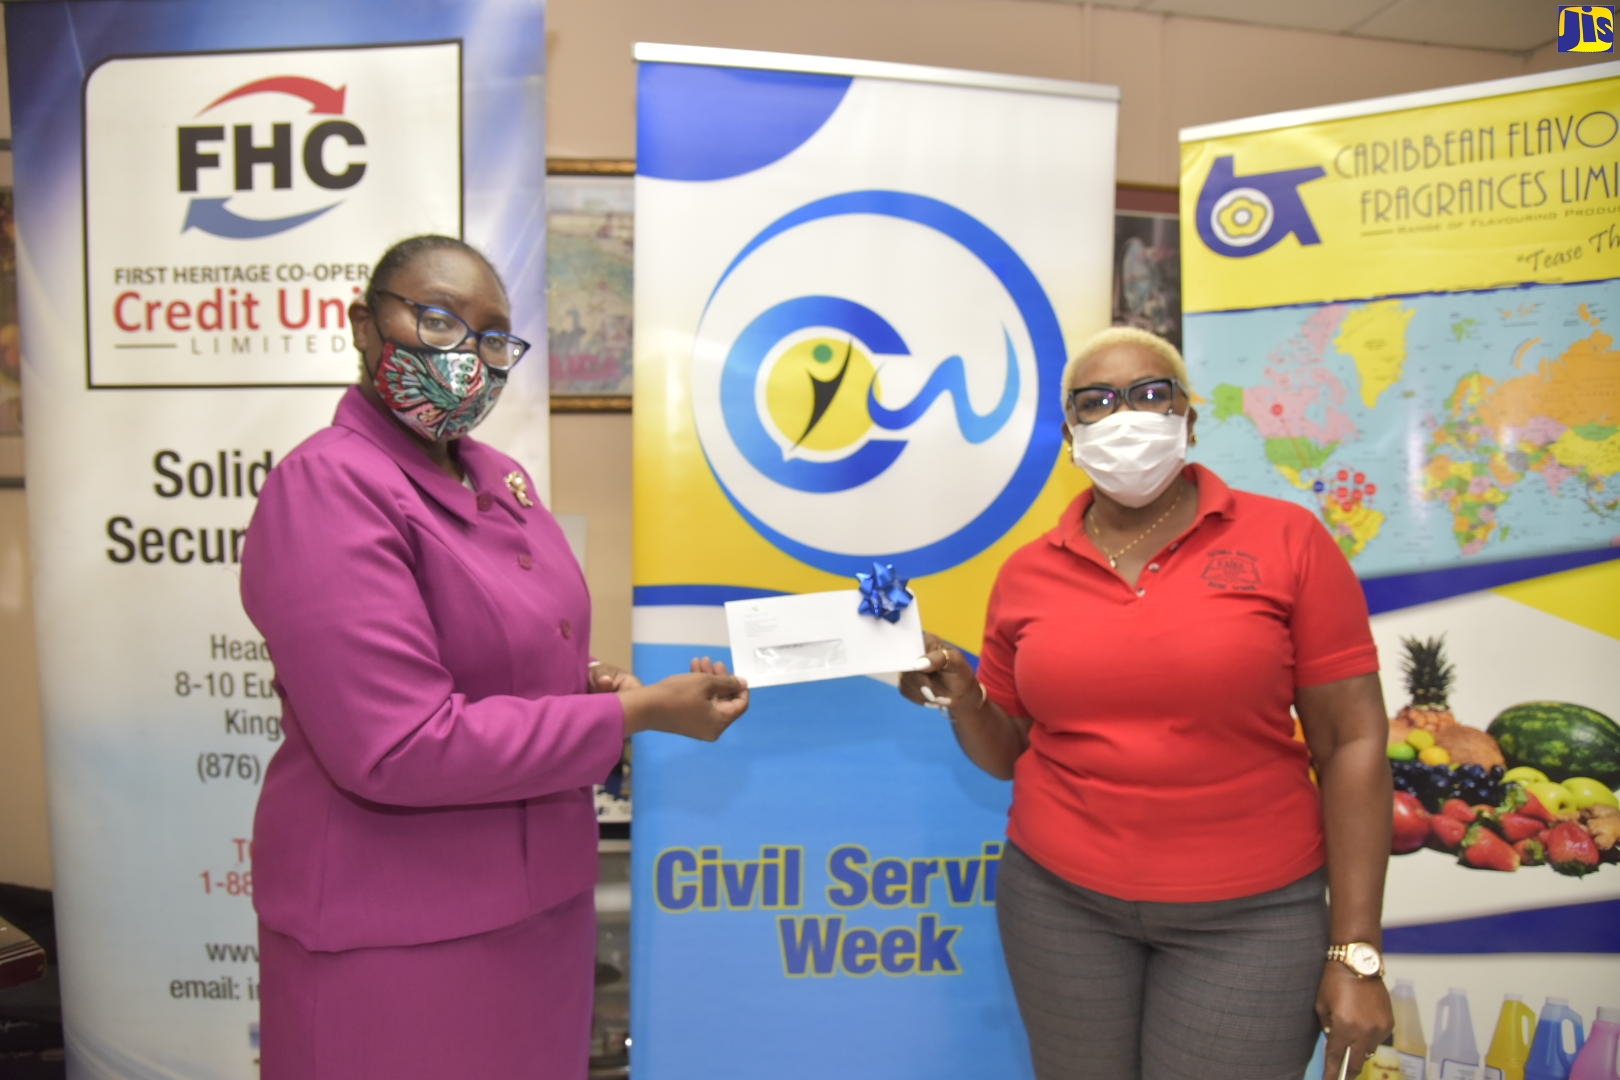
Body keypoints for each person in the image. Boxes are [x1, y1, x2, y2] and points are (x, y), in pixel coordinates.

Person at [239, 235, 750, 1079]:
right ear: (364, 326)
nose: (465, 357)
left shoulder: (496, 476)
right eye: (437, 320)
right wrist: (633, 714)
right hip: (396, 930)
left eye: (491, 338)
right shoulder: (329, 483)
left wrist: (589, 684)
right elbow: (397, 746)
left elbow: (503, 647)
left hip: (539, 910)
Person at [899, 326, 1393, 1080]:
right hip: (1059, 905)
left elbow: (1353, 742)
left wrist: (1355, 954)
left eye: (1149, 394)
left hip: (1252, 916)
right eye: (1095, 402)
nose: (1124, 416)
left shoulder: (1288, 540)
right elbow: (1008, 754)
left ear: (1188, 419)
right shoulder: (1028, 573)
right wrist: (965, 698)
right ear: (1070, 436)